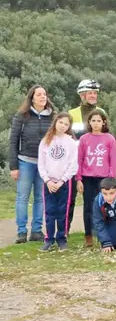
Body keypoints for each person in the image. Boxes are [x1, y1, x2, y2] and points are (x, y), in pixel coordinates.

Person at [10, 85, 55, 243]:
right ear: (32, 97)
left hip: (44, 164)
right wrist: (13, 166)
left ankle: (36, 231)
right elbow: (13, 141)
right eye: (39, 94)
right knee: (22, 197)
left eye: (44, 94)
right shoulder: (22, 116)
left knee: (40, 198)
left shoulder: (52, 116)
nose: (43, 97)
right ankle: (21, 232)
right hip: (25, 162)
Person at [77, 109, 116, 248]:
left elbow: (113, 159)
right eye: (93, 120)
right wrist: (78, 179)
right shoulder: (84, 139)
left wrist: (112, 178)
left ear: (103, 122)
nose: (96, 123)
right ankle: (88, 234)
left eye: (98, 121)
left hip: (104, 178)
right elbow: (79, 159)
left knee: (105, 206)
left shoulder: (109, 138)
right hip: (88, 177)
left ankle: (104, 234)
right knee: (88, 207)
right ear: (89, 122)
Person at [37, 112, 78, 252]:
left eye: (66, 124)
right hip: (49, 182)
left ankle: (61, 238)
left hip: (64, 182)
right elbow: (41, 163)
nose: (63, 126)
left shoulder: (71, 143)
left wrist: (62, 180)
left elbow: (73, 165)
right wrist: (47, 180)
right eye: (61, 122)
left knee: (63, 211)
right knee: (49, 211)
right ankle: (49, 239)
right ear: (55, 122)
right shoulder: (46, 141)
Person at [92, 177, 116, 253]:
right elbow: (98, 222)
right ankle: (115, 240)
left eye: (111, 193)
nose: (108, 197)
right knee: (112, 244)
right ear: (101, 192)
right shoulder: (98, 201)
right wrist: (105, 241)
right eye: (105, 194)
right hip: (110, 223)